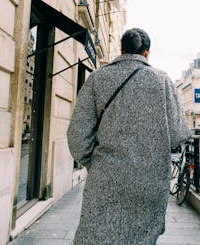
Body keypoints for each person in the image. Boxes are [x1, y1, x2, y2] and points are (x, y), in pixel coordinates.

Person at [67, 28, 191, 245]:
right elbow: (179, 134)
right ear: (146, 53)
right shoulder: (162, 81)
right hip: (149, 183)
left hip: (105, 180)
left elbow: (77, 137)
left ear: (121, 50)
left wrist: (97, 164)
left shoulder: (98, 79)